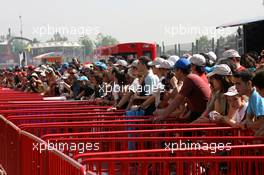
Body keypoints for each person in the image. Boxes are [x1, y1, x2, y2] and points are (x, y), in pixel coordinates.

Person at [153, 58, 211, 122]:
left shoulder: (189, 79)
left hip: (201, 115)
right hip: (199, 114)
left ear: (180, 70)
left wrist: (163, 115)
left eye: (175, 70)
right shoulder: (191, 78)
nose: (174, 73)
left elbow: (178, 100)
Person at [233, 70, 264, 136]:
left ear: (249, 83)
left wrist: (248, 125)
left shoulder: (256, 96)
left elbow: (261, 122)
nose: (235, 87)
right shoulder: (252, 96)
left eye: (238, 83)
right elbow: (248, 118)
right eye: (235, 84)